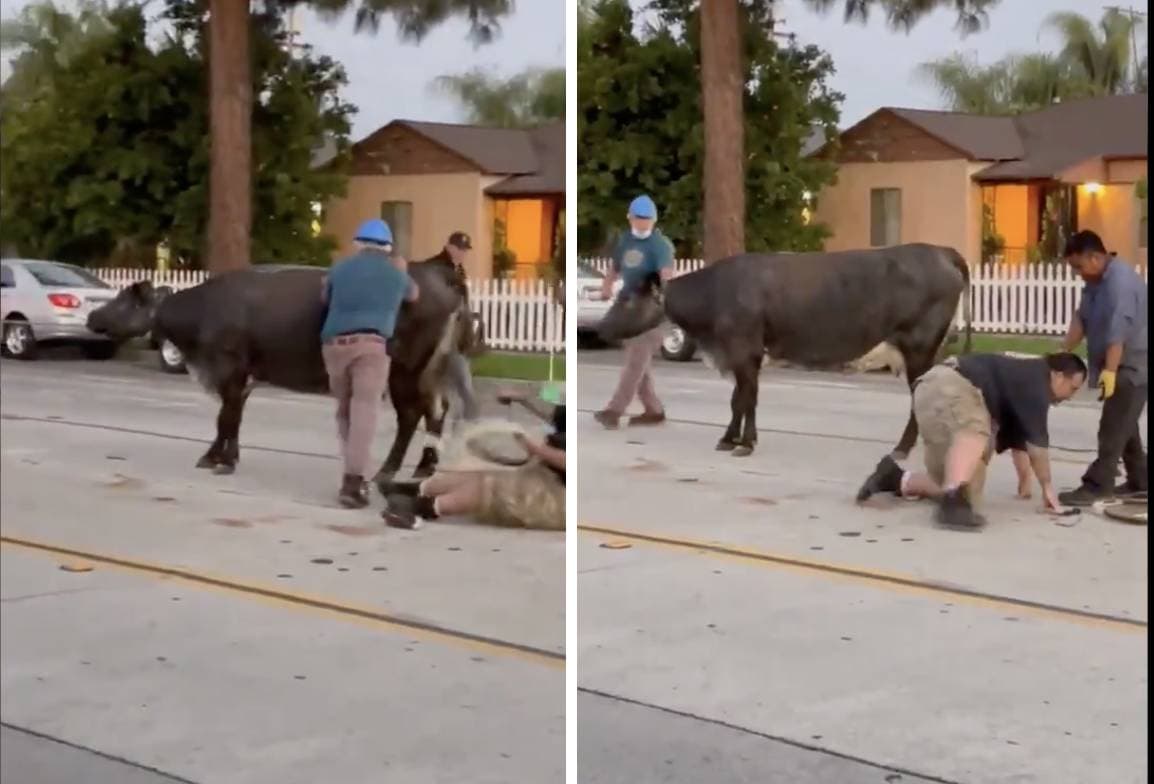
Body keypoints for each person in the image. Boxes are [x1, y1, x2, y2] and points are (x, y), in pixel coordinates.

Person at [856, 352, 1087, 529]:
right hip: (950, 383)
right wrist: (1047, 488)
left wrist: (1025, 483)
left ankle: (896, 479)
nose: (1071, 396)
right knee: (976, 428)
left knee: (970, 495)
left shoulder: (1022, 384)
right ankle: (953, 498)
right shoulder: (1036, 381)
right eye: (1073, 388)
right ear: (1058, 376)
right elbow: (1038, 447)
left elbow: (1022, 443)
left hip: (929, 395)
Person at [320, 218, 418, 508]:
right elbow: (414, 295)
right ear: (387, 247)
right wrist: (402, 271)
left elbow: (324, 297)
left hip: (333, 346)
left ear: (358, 244)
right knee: (364, 411)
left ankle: (354, 474)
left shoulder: (340, 269)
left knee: (344, 411)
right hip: (371, 347)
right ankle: (353, 483)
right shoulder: (395, 272)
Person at [381, 391, 565, 530]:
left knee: (494, 487)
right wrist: (523, 398)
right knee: (481, 473)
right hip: (549, 476)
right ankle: (418, 490)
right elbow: (559, 415)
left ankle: (423, 507)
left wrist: (534, 448)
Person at [1056, 230, 1148, 506]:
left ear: (1095, 257)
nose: (1077, 273)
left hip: (1134, 366)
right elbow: (1081, 317)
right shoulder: (1094, 282)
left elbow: (1118, 333)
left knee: (1111, 427)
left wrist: (1110, 372)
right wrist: (1063, 351)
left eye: (1078, 266)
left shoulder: (1121, 283)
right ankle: (1141, 481)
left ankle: (1098, 485)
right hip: (1119, 363)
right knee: (1125, 424)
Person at [594, 194, 675, 429]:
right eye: (639, 218)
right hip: (628, 307)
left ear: (654, 220)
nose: (643, 223)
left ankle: (614, 411)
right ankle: (654, 410)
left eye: (647, 219)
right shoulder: (626, 240)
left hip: (650, 310)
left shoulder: (660, 245)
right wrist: (607, 286)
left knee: (635, 363)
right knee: (639, 364)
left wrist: (662, 290)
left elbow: (666, 274)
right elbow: (615, 268)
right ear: (630, 218)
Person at [421, 231, 481, 421]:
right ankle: (439, 419)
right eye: (459, 249)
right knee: (438, 378)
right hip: (438, 331)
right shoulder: (433, 267)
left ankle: (467, 420)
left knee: (461, 379)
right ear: (449, 247)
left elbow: (463, 300)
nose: (463, 253)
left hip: (455, 331)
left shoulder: (459, 269)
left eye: (465, 250)